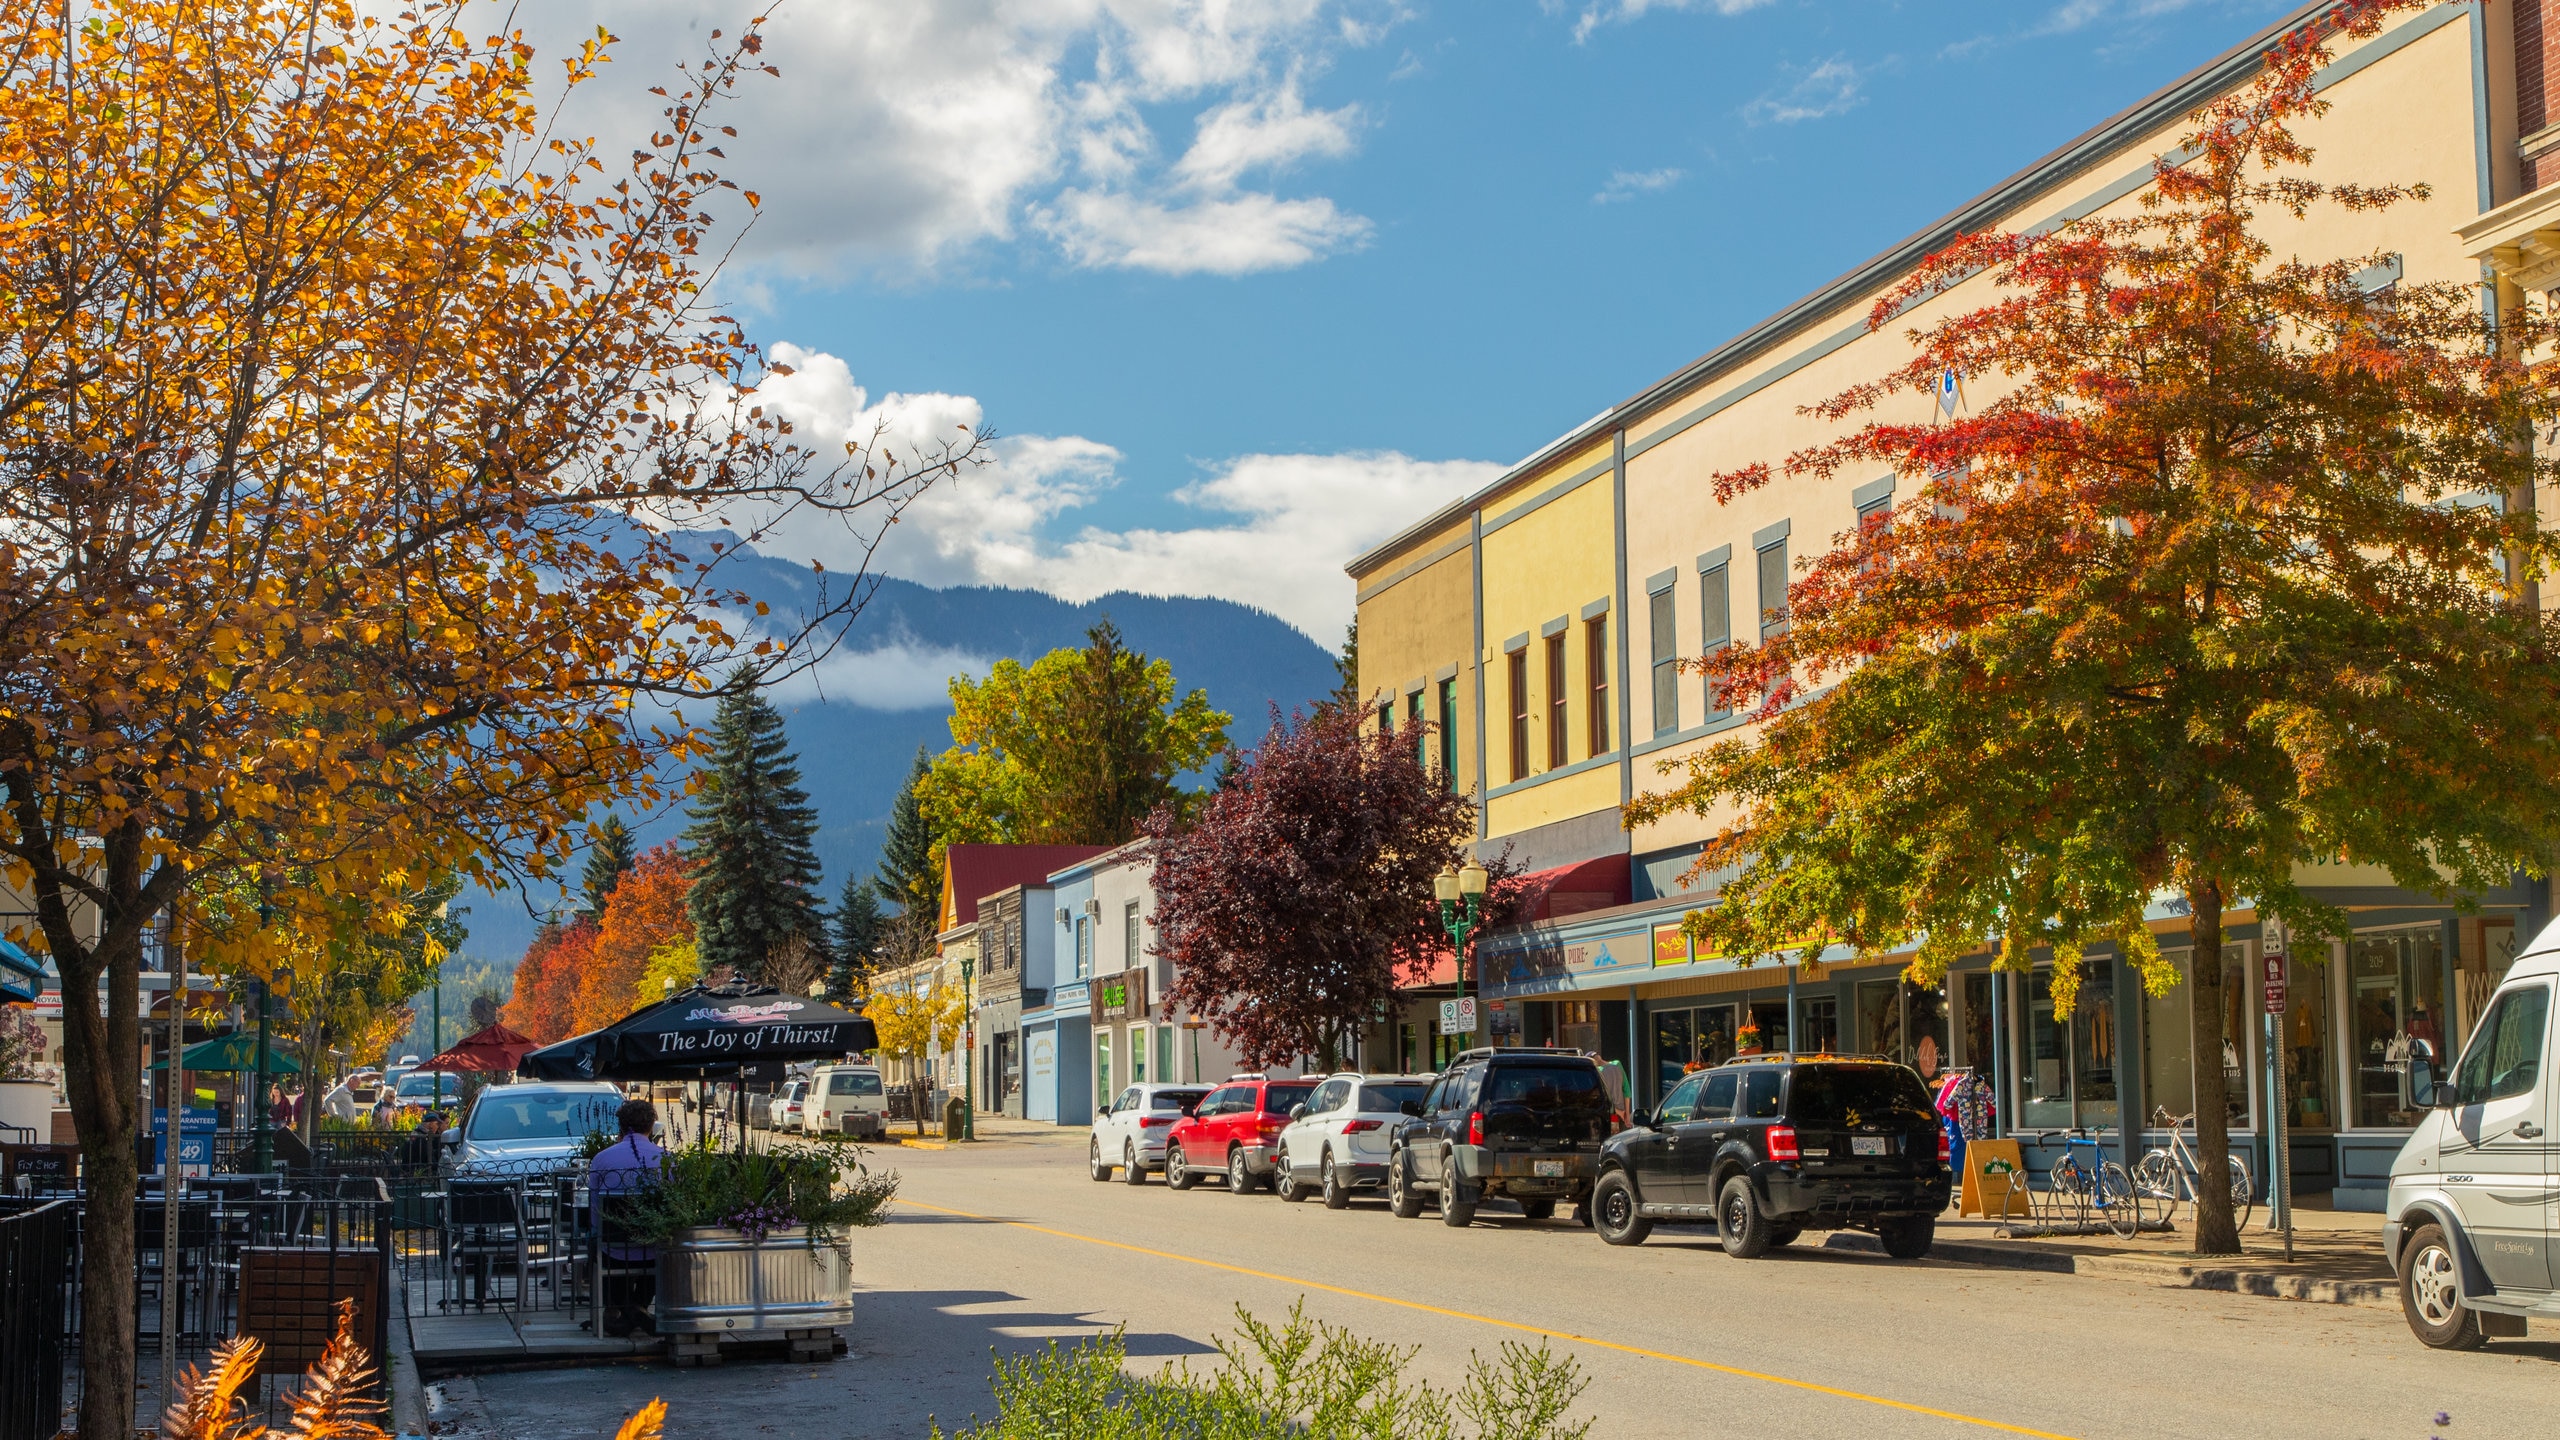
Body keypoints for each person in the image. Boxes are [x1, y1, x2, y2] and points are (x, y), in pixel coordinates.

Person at [589, 1099, 666, 1337]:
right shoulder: (666, 1159)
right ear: (652, 1126)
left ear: (620, 1126)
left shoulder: (601, 1159)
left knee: (598, 1242)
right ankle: (637, 1308)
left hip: (613, 1248)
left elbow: (594, 1209)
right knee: (660, 1248)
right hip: (653, 1247)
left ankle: (623, 1310)